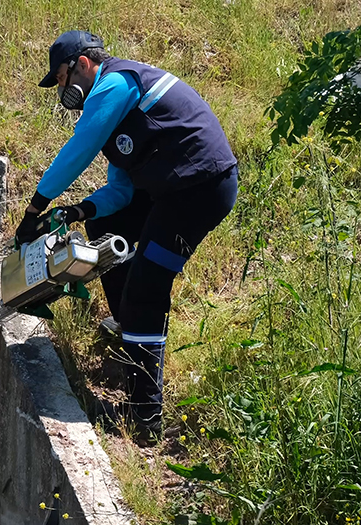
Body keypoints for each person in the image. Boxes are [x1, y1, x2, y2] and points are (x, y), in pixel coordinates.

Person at [17, 30, 238, 444]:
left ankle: (144, 418)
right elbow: (121, 192)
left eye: (62, 79)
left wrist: (35, 208)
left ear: (83, 64)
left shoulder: (115, 84)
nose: (63, 91)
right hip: (173, 188)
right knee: (106, 227)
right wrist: (77, 210)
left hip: (199, 190)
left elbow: (79, 148)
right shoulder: (120, 109)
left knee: (145, 292)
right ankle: (128, 329)